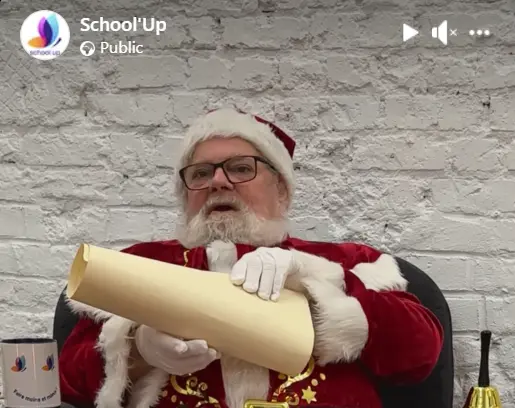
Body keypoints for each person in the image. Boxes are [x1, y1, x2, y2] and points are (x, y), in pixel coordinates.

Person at [59, 108, 444, 408]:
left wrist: (318, 283)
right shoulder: (139, 265)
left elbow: (419, 355)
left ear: (282, 189)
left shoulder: (350, 261)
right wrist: (137, 351)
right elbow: (68, 380)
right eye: (200, 173)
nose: (218, 182)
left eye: (241, 168)